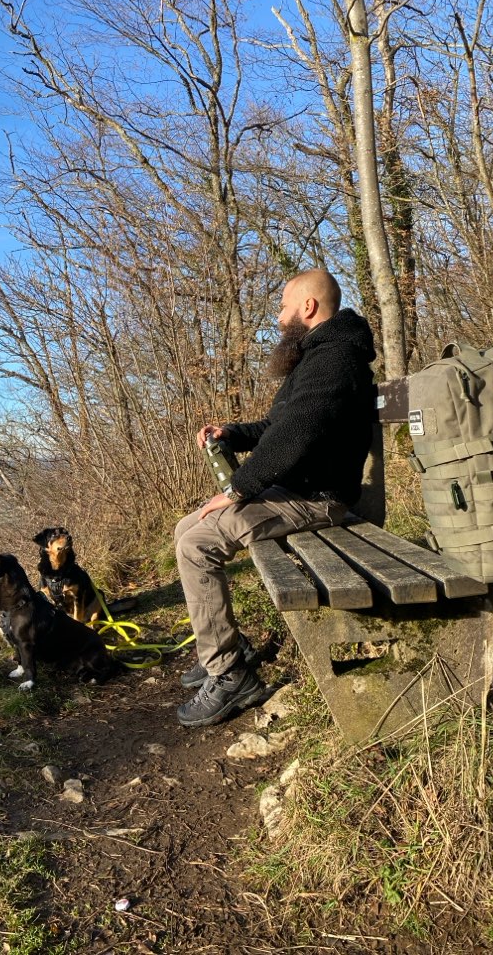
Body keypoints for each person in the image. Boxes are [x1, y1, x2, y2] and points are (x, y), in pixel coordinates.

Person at [175, 268, 376, 728]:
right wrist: (233, 432)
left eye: (284, 307)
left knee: (197, 543)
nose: (279, 316)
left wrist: (239, 488)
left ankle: (230, 675)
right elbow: (277, 428)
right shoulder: (317, 357)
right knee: (186, 528)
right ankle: (227, 644)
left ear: (308, 308)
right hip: (296, 488)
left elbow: (297, 433)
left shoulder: (335, 360)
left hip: (320, 499)